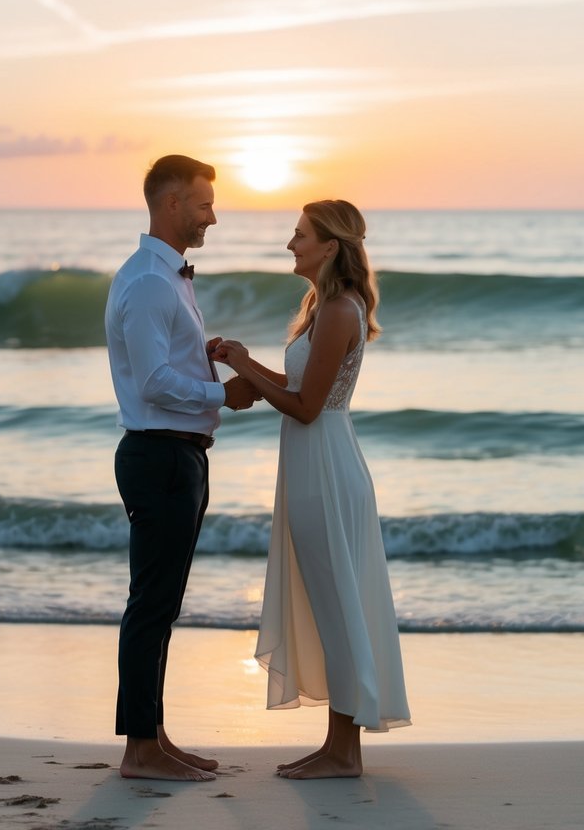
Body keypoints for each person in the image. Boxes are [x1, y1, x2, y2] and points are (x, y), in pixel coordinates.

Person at [214, 199, 411, 779]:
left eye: (299, 235)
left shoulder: (338, 311)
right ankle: (336, 746)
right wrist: (240, 361)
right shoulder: (321, 308)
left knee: (338, 603)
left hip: (325, 466)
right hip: (312, 462)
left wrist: (246, 366)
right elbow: (300, 386)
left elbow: (305, 407)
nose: (290, 244)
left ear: (329, 246)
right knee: (329, 603)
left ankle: (345, 753)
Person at [105, 154, 258, 782]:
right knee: (151, 604)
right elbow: (153, 381)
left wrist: (206, 354)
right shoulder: (147, 281)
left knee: (162, 603)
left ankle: (154, 737)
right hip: (160, 455)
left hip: (179, 454)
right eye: (203, 205)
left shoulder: (168, 279)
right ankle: (139, 750)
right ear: (172, 205)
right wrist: (226, 394)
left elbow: (169, 364)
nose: (212, 217)